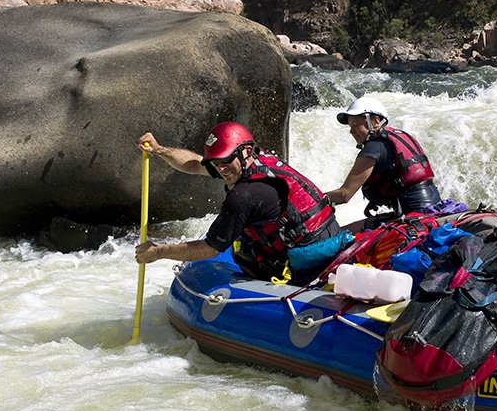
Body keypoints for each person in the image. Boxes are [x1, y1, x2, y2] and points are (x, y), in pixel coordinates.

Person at [135, 121, 341, 283]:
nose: (220, 168)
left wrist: (158, 252)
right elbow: (196, 164)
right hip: (327, 239)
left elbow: (211, 248)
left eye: (225, 160)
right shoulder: (254, 161)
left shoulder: (244, 196)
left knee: (241, 248)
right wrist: (159, 149)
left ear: (246, 152)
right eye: (215, 162)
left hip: (306, 264)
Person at [325, 96, 441, 231]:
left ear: (375, 122)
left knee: (341, 234)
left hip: (414, 217)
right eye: (351, 126)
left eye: (356, 124)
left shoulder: (374, 147)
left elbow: (344, 194)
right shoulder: (397, 136)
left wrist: (314, 200)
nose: (352, 131)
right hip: (433, 209)